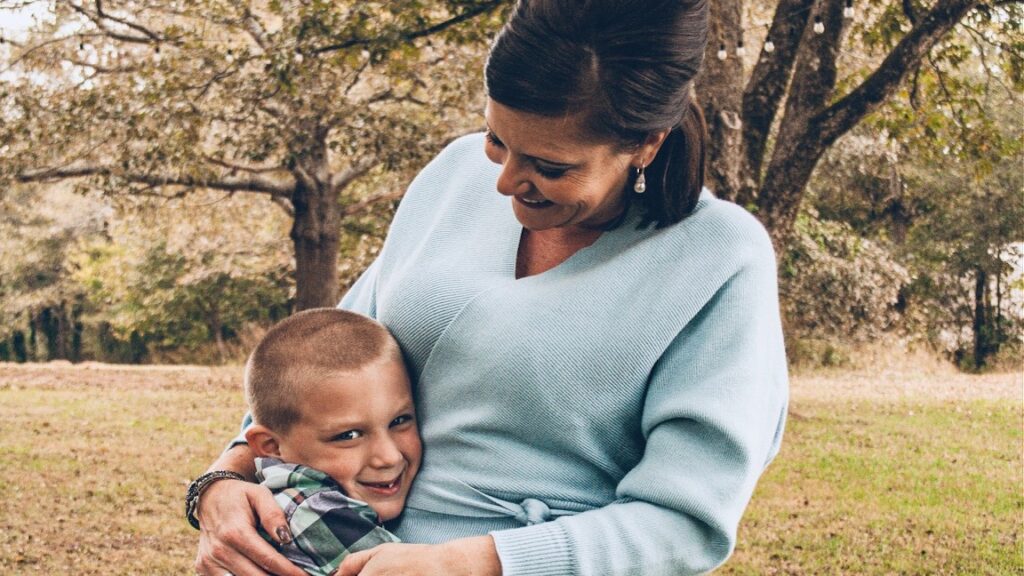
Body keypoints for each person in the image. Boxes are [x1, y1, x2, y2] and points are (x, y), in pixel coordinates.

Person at [190, 0, 789, 574]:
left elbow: (685, 525)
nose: (504, 182)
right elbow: (321, 361)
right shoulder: (455, 175)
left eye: (549, 167)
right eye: (497, 140)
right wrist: (227, 477)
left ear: (645, 144)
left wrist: (470, 563)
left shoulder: (718, 257)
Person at [187, 308, 420, 576]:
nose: (389, 457)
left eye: (400, 420)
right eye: (349, 435)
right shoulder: (313, 511)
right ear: (271, 446)